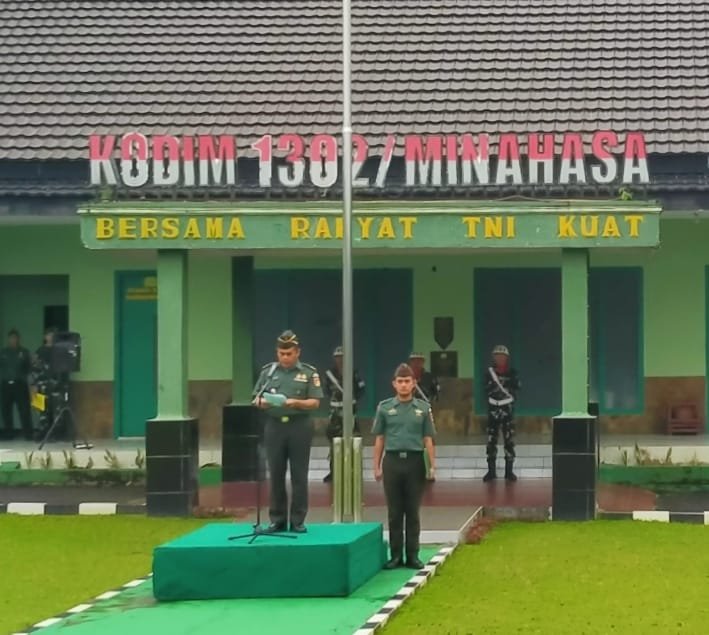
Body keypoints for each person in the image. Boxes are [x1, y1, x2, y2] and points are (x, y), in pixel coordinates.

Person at [252, 330, 323, 533]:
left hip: (299, 425)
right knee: (276, 473)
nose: (285, 357)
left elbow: (315, 402)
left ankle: (298, 520)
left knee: (299, 474)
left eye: (289, 353)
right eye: (281, 353)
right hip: (275, 426)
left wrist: (295, 403)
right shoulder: (268, 372)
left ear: (297, 352)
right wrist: (264, 402)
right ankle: (277, 519)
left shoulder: (308, 373)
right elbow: (256, 398)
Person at [372, 363, 436, 570]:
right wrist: (376, 466)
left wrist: (432, 466)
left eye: (407, 381)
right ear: (394, 384)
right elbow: (379, 439)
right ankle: (396, 555)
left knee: (413, 511)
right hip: (392, 462)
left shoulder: (423, 409)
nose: (403, 385)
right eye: (400, 381)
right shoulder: (384, 408)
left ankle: (413, 555)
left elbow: (428, 439)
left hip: (415, 462)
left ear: (414, 383)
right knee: (395, 512)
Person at [323, 345, 366, 483]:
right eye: (338, 357)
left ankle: (353, 471)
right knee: (334, 442)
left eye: (342, 357)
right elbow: (326, 390)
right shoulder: (329, 374)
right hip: (335, 412)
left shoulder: (354, 373)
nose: (340, 360)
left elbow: (361, 389)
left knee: (353, 440)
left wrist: (353, 399)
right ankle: (334, 471)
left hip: (350, 411)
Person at [483, 344, 521, 482]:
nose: (500, 358)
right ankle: (491, 471)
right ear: (494, 358)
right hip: (493, 407)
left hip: (507, 408)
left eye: (502, 356)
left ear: (507, 358)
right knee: (491, 440)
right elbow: (486, 389)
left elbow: (517, 388)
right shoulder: (489, 373)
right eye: (497, 356)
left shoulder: (513, 373)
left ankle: (509, 471)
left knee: (509, 440)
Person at [0, 329, 33, 440]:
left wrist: (31, 385)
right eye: (11, 338)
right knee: (6, 410)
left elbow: (29, 368)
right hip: (6, 384)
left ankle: (28, 434)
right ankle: (8, 434)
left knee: (24, 410)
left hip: (20, 384)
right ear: (8, 339)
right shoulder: (3, 352)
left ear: (18, 339)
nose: (13, 340)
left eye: (15, 338)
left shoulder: (24, 352)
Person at [32, 327, 58, 440]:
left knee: (55, 410)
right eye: (48, 335)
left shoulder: (58, 351)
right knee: (41, 410)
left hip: (55, 385)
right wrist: (34, 385)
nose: (50, 337)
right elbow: (34, 369)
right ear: (45, 337)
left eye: (52, 335)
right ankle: (42, 433)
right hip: (40, 385)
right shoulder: (40, 351)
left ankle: (53, 434)